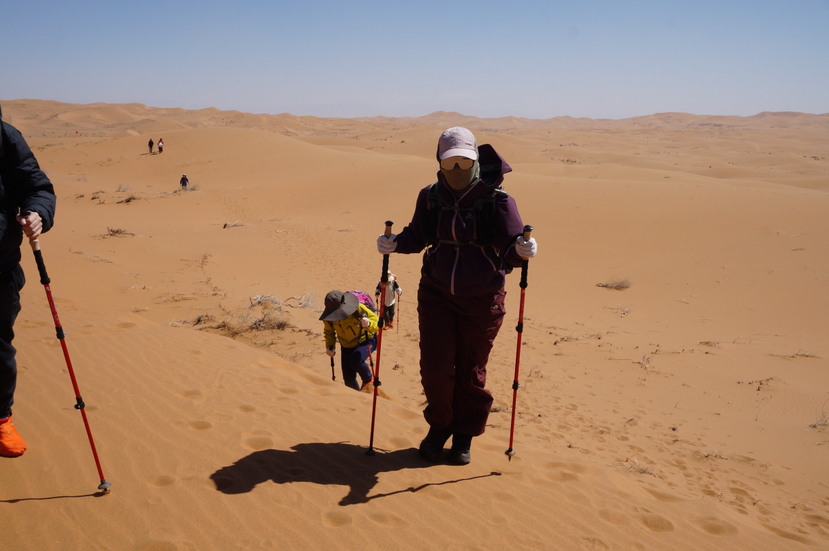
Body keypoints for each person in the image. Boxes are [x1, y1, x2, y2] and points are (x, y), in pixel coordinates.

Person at [376, 127, 537, 465]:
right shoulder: (431, 196)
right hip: (436, 294)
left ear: (476, 160)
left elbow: (510, 250)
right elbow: (418, 236)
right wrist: (394, 243)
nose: (457, 169)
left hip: (483, 298)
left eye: (464, 162)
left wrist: (523, 250)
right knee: (434, 368)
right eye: (450, 163)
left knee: (471, 370)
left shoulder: (498, 201)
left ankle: (464, 434)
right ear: (439, 162)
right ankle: (440, 426)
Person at [0, 105, 57, 457]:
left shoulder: (5, 138)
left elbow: (38, 187)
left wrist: (38, 213)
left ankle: (1, 420)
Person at [320, 290, 379, 391]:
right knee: (348, 380)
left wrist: (369, 324)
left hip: (366, 340)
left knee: (356, 360)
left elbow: (378, 323)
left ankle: (369, 381)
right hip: (346, 345)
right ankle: (357, 397)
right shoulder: (329, 318)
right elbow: (329, 332)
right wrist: (330, 346)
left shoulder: (358, 308)